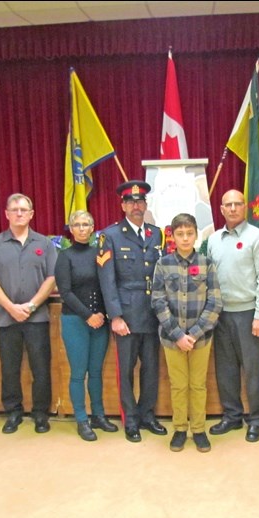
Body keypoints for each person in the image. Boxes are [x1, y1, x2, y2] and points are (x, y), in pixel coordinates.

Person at [0, 193, 57, 434]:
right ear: (6, 214)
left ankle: (40, 414)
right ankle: (13, 412)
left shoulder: (44, 244)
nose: (19, 213)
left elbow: (52, 278)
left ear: (32, 214)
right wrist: (10, 307)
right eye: (14, 209)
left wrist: (32, 306)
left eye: (24, 209)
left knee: (40, 367)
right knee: (10, 368)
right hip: (6, 317)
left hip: (37, 317)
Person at [97, 179, 166, 443]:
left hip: (152, 313)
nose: (136, 206)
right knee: (126, 370)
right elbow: (107, 279)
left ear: (146, 204)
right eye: (131, 202)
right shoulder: (110, 236)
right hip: (125, 313)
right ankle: (131, 420)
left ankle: (147, 414)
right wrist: (114, 315)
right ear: (123, 205)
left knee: (151, 367)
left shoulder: (156, 234)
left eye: (140, 202)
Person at [151, 213, 222, 452]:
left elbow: (215, 302)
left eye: (189, 233)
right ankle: (180, 428)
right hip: (172, 339)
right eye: (180, 234)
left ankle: (199, 429)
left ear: (196, 234)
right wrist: (179, 335)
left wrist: (194, 332)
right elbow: (158, 301)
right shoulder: (163, 264)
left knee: (198, 384)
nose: (185, 238)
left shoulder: (206, 263)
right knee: (178, 385)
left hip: (201, 338)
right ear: (172, 235)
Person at [206, 189, 259, 443]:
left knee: (253, 369)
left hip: (248, 314)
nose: (233, 208)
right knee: (225, 369)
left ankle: (255, 419)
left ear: (245, 207)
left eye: (238, 204)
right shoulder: (213, 240)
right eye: (228, 205)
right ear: (221, 209)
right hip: (221, 314)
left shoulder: (258, 237)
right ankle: (231, 416)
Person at [55, 210, 118, 441]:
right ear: (71, 229)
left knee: (96, 372)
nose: (82, 229)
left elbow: (106, 285)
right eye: (77, 225)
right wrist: (88, 315)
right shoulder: (65, 256)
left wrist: (101, 313)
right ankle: (82, 418)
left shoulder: (99, 254)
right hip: (75, 320)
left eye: (86, 224)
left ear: (93, 228)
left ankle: (98, 416)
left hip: (99, 321)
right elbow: (66, 292)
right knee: (78, 373)